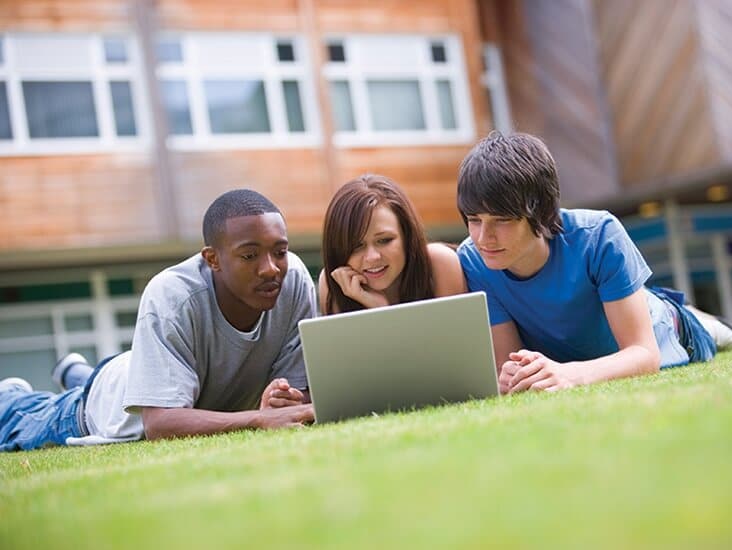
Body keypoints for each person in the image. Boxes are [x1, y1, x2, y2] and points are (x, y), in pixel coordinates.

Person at [0, 189, 316, 452]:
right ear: (212, 259)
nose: (271, 268)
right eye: (250, 256)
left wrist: (284, 400)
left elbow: (294, 399)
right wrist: (257, 419)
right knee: (20, 420)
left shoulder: (295, 280)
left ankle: (74, 371)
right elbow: (160, 424)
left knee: (110, 375)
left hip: (152, 370)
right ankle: (13, 395)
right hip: (108, 402)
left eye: (280, 252)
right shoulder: (172, 295)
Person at [455, 132, 732, 394]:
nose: (484, 237)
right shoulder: (473, 260)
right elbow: (512, 362)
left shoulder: (599, 234)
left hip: (671, 332)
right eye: (474, 220)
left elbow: (645, 354)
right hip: (583, 345)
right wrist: (511, 375)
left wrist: (571, 373)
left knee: (689, 327)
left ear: (540, 213)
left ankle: (701, 321)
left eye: (502, 220)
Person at [318, 174, 466, 314]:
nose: (372, 257)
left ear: (407, 236)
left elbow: (452, 341)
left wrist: (383, 310)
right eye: (356, 246)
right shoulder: (331, 283)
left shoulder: (440, 264)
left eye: (384, 240)